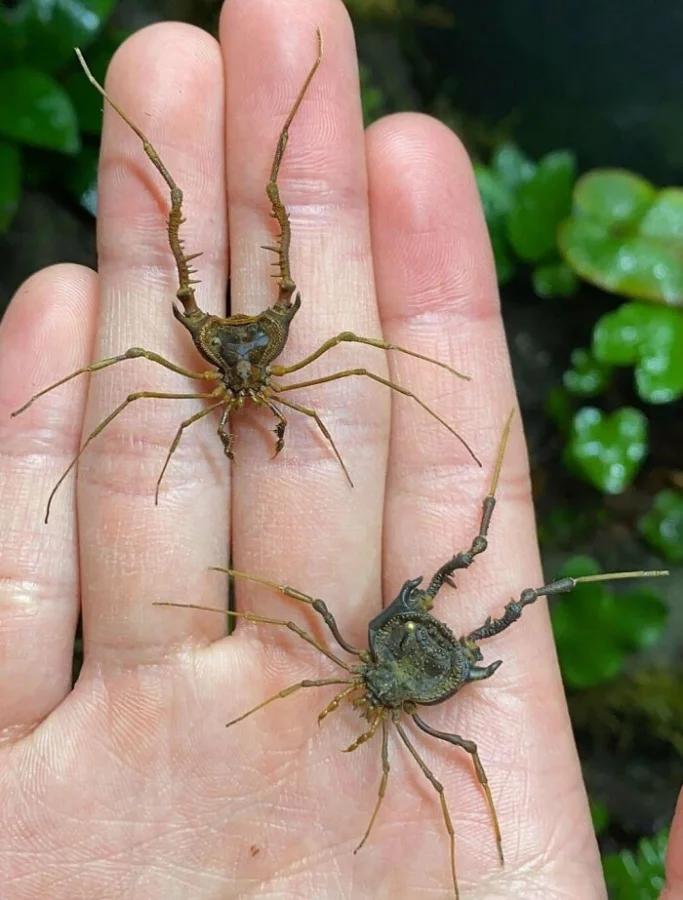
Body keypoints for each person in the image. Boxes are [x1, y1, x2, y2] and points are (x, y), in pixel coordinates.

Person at [1, 1, 680, 896]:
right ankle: (116, 91)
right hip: (239, 371)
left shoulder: (369, 686)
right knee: (157, 294)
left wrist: (411, 392)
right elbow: (142, 382)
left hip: (384, 605)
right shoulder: (215, 397)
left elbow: (309, 617)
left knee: (466, 539)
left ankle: (268, 105)